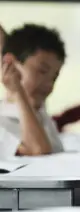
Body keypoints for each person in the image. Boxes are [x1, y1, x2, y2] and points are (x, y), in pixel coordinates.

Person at [0, 24, 65, 157]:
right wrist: (18, 92)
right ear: (11, 65)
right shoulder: (3, 121)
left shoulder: (41, 115)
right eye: (41, 71)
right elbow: (39, 151)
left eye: (54, 77)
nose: (49, 85)